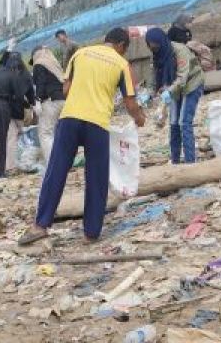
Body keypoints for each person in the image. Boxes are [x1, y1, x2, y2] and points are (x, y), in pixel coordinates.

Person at [19, 28, 147, 245]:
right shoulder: (121, 64)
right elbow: (130, 103)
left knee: (56, 170)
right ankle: (91, 233)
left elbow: (66, 90)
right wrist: (140, 118)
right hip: (97, 123)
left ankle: (40, 225)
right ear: (122, 46)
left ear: (106, 40)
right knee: (96, 177)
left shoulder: (80, 54)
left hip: (69, 119)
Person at [148, 27, 205, 164]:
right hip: (175, 89)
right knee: (173, 123)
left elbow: (182, 77)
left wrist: (168, 91)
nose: (154, 48)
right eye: (151, 46)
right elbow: (153, 78)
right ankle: (175, 160)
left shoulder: (180, 51)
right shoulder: (157, 56)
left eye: (156, 45)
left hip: (191, 84)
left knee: (184, 122)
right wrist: (149, 93)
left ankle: (190, 162)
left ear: (162, 41)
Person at [0, 51, 34, 179]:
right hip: (0, 106)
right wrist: (27, 105)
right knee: (2, 139)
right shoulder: (13, 75)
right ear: (16, 66)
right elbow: (19, 96)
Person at [30, 46, 66, 168]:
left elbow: (41, 82)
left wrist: (38, 99)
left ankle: (53, 163)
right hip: (63, 100)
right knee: (59, 132)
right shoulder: (54, 64)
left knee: (45, 133)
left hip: (51, 101)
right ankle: (64, 160)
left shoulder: (39, 64)